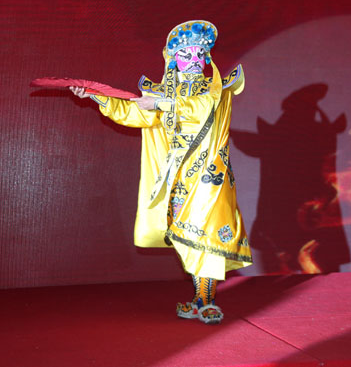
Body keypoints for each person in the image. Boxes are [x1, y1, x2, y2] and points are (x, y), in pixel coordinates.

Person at [70, 20, 251, 324]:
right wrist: (97, 96)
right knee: (185, 237)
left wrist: (162, 102)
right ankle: (200, 298)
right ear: (173, 58)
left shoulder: (217, 89)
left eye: (200, 53)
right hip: (176, 175)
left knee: (205, 233)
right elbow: (136, 114)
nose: (194, 59)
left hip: (208, 176)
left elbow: (201, 109)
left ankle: (207, 300)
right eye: (186, 54)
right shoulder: (163, 93)